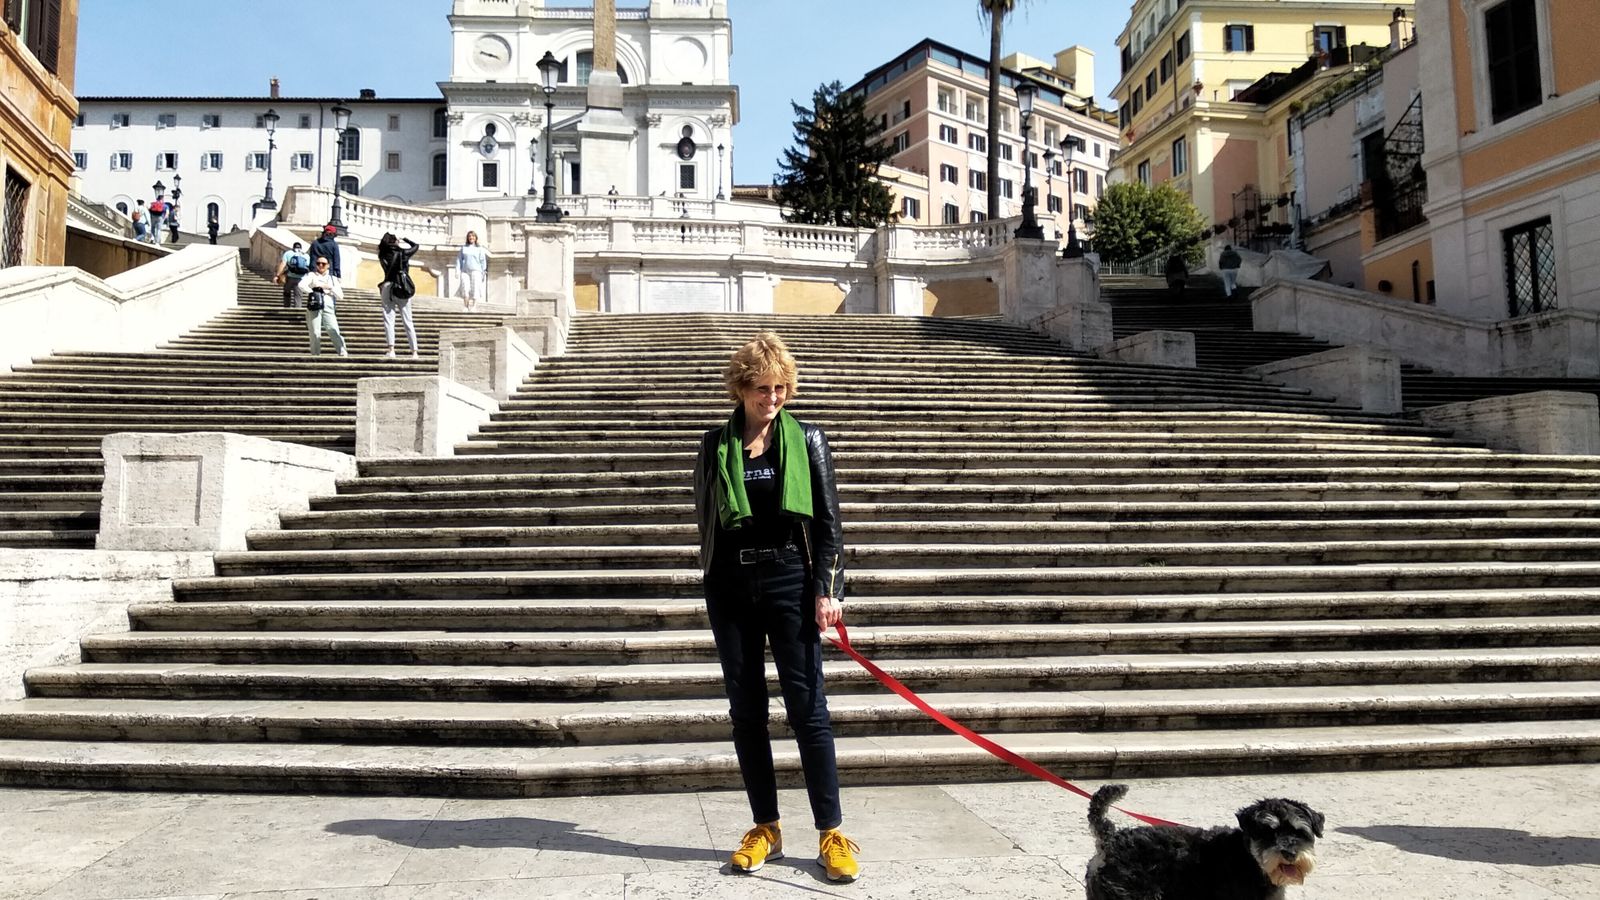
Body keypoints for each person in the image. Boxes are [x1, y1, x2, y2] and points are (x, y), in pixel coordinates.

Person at [692, 332, 860, 884]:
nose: (773, 399)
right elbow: (708, 522)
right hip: (732, 586)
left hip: (791, 576)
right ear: (740, 389)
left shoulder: (808, 439)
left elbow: (829, 523)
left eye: (781, 388)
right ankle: (765, 825)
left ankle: (831, 832)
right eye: (762, 389)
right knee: (747, 713)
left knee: (808, 708)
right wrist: (712, 580)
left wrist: (828, 589)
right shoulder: (716, 446)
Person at [377, 232, 421, 359]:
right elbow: (416, 246)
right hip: (402, 286)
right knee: (408, 320)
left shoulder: (382, 254)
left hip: (387, 286)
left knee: (388, 319)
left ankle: (391, 350)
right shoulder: (403, 253)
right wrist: (405, 239)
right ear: (395, 241)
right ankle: (414, 352)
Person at [296, 256, 349, 357]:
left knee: (333, 329)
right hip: (315, 304)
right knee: (315, 331)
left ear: (328, 266)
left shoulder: (333, 279)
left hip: (328, 304)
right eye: (318, 263)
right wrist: (314, 291)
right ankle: (315, 354)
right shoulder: (311, 275)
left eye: (323, 264)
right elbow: (301, 285)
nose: (320, 265)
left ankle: (342, 351)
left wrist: (330, 287)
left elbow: (340, 296)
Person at [455, 230, 489, 311]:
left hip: (476, 271)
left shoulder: (480, 249)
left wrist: (483, 272)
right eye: (470, 236)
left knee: (475, 288)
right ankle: (466, 306)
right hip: (465, 271)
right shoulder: (463, 248)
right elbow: (459, 260)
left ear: (475, 238)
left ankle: (474, 306)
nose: (471, 238)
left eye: (473, 236)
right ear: (468, 238)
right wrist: (457, 270)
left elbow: (483, 261)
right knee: (465, 288)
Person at [275, 241, 312, 309]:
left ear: (293, 247)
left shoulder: (288, 253)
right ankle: (297, 310)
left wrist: (277, 275)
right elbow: (308, 267)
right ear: (301, 248)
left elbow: (283, 264)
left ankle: (286, 307)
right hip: (301, 278)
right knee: (298, 295)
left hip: (290, 277)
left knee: (286, 291)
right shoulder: (306, 255)